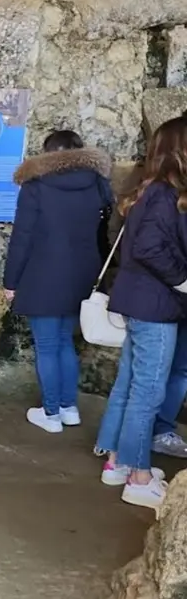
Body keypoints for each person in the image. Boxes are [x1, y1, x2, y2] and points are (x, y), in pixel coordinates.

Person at [94, 116, 187, 510]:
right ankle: (139, 477)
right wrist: (183, 280)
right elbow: (150, 248)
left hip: (137, 302)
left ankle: (116, 461)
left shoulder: (149, 190)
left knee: (130, 384)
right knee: (148, 392)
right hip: (155, 307)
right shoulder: (166, 194)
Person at [3, 130, 112, 433]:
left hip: (43, 275)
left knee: (47, 346)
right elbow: (105, 233)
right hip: (83, 275)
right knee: (65, 342)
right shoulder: (98, 183)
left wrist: (11, 282)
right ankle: (69, 407)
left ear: (48, 153)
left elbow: (22, 238)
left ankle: (51, 414)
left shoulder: (36, 185)